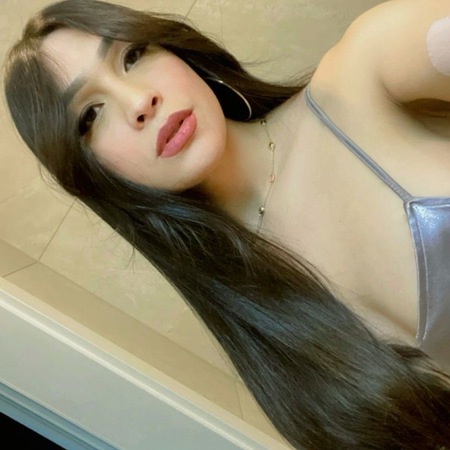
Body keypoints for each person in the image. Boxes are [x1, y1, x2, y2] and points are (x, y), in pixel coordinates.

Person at [4, 0, 450, 448]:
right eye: (90, 115)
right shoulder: (262, 340)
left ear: (176, 51)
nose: (139, 101)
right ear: (91, 174)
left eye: (132, 55)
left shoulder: (360, 78)